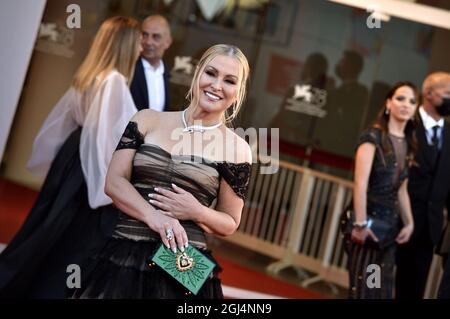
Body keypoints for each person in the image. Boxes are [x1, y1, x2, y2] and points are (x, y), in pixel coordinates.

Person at [71, 44, 252, 299]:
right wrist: (154, 217)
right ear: (198, 73)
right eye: (211, 73)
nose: (217, 85)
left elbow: (230, 223)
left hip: (184, 262)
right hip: (124, 251)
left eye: (230, 81)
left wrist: (197, 211)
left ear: (238, 92)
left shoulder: (237, 149)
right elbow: (114, 182)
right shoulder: (147, 119)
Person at [0, 16, 141, 298]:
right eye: (137, 43)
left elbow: (66, 123)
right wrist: (107, 193)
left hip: (72, 160)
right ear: (125, 45)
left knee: (47, 230)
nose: (140, 49)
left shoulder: (91, 73)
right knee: (73, 242)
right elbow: (102, 140)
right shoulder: (113, 81)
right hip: (87, 170)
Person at [345, 82, 418, 299]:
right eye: (400, 98)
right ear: (388, 103)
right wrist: (360, 224)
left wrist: (410, 222)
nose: (406, 105)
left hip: (389, 233)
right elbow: (360, 183)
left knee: (380, 291)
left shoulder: (409, 143)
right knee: (365, 291)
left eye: (412, 101)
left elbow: (402, 189)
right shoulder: (373, 137)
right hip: (368, 231)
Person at [396, 72, 450, 299]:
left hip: (429, 228)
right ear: (429, 93)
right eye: (448, 93)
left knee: (413, 290)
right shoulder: (405, 125)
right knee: (378, 282)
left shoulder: (449, 133)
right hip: (397, 221)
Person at [130, 15, 172, 111]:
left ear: (168, 42)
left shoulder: (166, 72)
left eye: (156, 37)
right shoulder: (130, 67)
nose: (148, 42)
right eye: (145, 35)